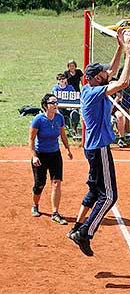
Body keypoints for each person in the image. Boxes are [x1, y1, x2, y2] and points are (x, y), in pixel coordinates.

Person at [66, 28, 130, 256]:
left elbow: (113, 71)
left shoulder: (90, 87)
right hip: (99, 149)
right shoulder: (96, 93)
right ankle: (85, 233)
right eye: (104, 73)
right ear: (97, 77)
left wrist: (119, 47)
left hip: (92, 147)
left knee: (95, 192)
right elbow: (123, 81)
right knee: (110, 195)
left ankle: (77, 226)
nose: (108, 73)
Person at [29, 94, 73, 224]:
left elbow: (63, 135)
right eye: (52, 103)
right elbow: (31, 139)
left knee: (56, 182)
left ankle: (55, 213)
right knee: (39, 184)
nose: (55, 105)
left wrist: (68, 149)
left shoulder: (59, 118)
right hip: (40, 155)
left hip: (55, 154)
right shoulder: (38, 120)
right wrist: (34, 156)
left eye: (56, 102)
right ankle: (35, 205)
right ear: (45, 106)